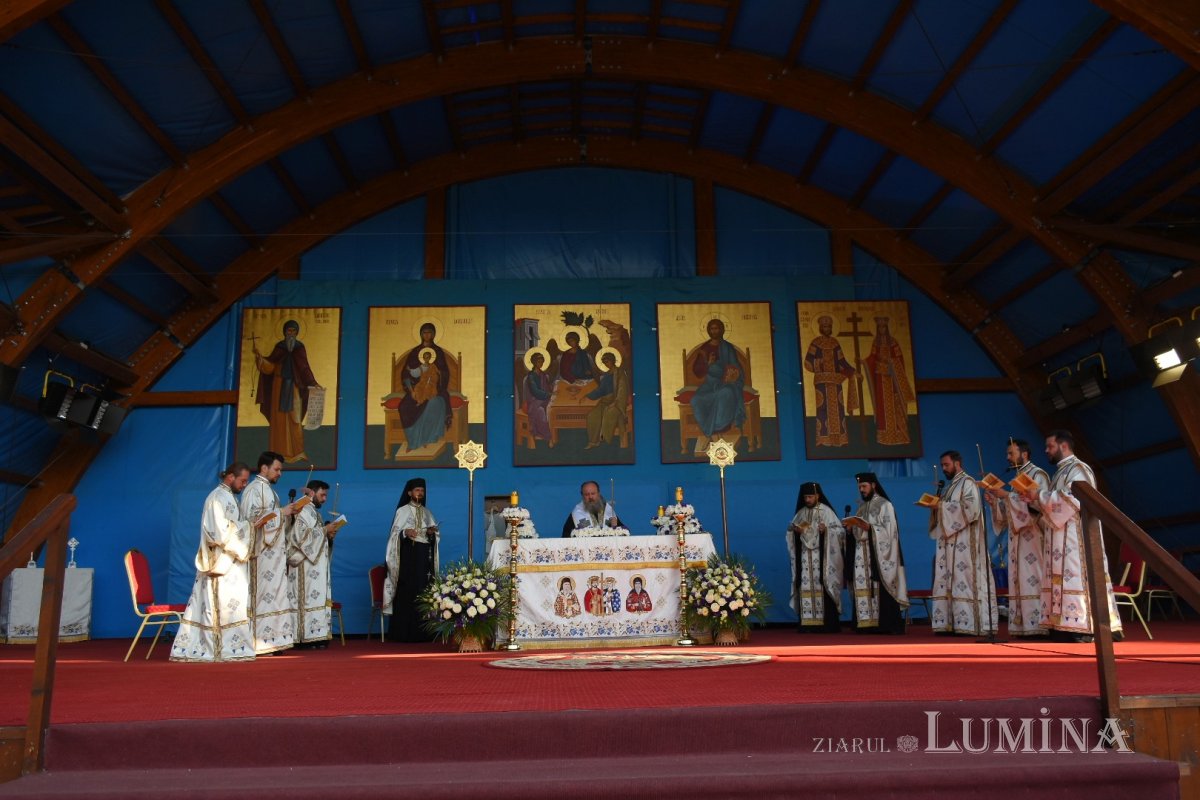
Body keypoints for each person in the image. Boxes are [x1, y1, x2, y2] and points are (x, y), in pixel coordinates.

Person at [1020, 430, 1124, 643]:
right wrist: (1033, 499)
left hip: (1077, 539)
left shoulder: (1078, 469)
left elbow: (1072, 500)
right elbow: (1051, 502)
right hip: (1060, 536)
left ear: (1063, 446)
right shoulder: (1060, 472)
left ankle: (1087, 626)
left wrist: (1039, 495)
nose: (1046, 450)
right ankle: (1065, 624)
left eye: (1050, 446)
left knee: (1077, 577)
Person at [169, 462, 256, 662]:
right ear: (230, 477)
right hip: (220, 562)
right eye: (242, 481)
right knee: (217, 605)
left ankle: (232, 648)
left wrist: (247, 527)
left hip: (231, 562)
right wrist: (249, 527)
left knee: (231, 605)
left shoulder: (230, 498)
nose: (244, 485)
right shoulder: (217, 498)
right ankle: (216, 649)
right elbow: (218, 531)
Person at [984, 438, 1049, 637]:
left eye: (1011, 454)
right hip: (1018, 541)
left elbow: (1041, 506)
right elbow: (1009, 515)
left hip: (1035, 538)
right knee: (1020, 579)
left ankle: (1039, 626)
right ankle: (1023, 626)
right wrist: (996, 503)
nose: (1008, 458)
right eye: (1008, 454)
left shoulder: (1037, 475)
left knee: (1035, 578)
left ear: (1025, 454)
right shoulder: (1018, 478)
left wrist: (1006, 496)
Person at [929, 450, 997, 636]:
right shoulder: (952, 486)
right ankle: (951, 622)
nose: (944, 469)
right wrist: (937, 507)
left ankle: (970, 623)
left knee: (965, 579)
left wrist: (941, 507)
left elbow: (971, 509)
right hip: (951, 544)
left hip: (966, 544)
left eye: (946, 465)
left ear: (957, 463)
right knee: (951, 580)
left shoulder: (967, 483)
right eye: (942, 465)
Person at [241, 450, 298, 655]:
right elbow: (252, 520)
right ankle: (259, 641)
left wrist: (288, 515)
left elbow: (271, 518)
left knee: (275, 596)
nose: (279, 473)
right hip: (261, 554)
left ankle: (273, 639)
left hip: (274, 555)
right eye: (277, 469)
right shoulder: (254, 489)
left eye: (281, 470)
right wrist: (281, 513)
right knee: (263, 596)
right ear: (264, 468)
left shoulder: (269, 491)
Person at [845, 472, 908, 634]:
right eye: (859, 487)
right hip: (862, 554)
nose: (861, 490)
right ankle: (866, 623)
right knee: (863, 585)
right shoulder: (862, 507)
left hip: (879, 555)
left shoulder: (885, 505)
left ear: (873, 485)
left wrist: (870, 528)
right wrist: (851, 529)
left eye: (864, 486)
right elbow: (859, 533)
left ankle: (885, 624)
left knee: (879, 587)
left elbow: (890, 532)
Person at [253, 320, 321, 463]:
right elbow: (270, 366)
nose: (291, 334)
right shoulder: (280, 347)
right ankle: (278, 453)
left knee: (295, 418)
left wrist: (313, 383)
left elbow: (304, 368)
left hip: (295, 387)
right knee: (279, 420)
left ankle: (298, 452)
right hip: (279, 386)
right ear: (284, 332)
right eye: (289, 331)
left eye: (294, 331)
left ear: (297, 333)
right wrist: (260, 358)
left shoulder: (299, 348)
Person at [382, 477, 440, 642]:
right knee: (407, 592)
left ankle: (424, 633)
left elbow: (435, 537)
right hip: (407, 558)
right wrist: (404, 533)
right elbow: (394, 535)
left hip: (423, 559)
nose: (420, 493)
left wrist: (432, 533)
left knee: (423, 591)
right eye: (417, 490)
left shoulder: (428, 513)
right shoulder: (402, 511)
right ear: (409, 492)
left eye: (422, 490)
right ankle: (403, 633)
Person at [785, 481, 845, 633]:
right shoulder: (801, 513)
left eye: (810, 497)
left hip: (823, 558)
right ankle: (808, 624)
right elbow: (791, 530)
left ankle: (827, 624)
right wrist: (794, 531)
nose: (807, 500)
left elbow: (840, 532)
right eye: (805, 497)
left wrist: (826, 531)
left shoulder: (826, 511)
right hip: (805, 558)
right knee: (805, 586)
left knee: (822, 585)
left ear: (818, 496)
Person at [288, 479, 336, 648]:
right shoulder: (302, 511)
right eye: (322, 495)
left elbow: (315, 536)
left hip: (316, 567)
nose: (324, 499)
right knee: (305, 599)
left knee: (315, 599)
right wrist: (324, 530)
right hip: (303, 566)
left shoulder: (314, 512)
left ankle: (317, 636)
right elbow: (300, 537)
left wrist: (328, 536)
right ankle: (303, 638)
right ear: (313, 492)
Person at [688, 318, 745, 450]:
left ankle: (715, 433)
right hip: (710, 384)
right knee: (696, 400)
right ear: (708, 330)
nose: (714, 331)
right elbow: (697, 371)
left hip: (727, 383)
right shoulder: (704, 349)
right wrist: (708, 364)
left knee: (724, 394)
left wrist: (732, 376)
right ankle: (714, 436)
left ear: (722, 330)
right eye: (712, 328)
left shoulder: (728, 348)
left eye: (717, 328)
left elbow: (736, 368)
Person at [396, 323, 453, 453]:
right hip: (416, 390)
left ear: (434, 334)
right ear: (420, 334)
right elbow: (406, 373)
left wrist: (436, 374)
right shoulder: (415, 352)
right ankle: (412, 441)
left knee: (433, 403)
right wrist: (411, 391)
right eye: (424, 333)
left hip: (435, 390)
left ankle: (426, 439)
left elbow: (445, 372)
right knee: (404, 406)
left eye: (429, 332)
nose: (427, 335)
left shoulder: (438, 352)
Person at [804, 316, 858, 448]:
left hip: (835, 381)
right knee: (822, 409)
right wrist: (820, 362)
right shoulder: (815, 343)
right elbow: (807, 362)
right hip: (822, 382)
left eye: (829, 327)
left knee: (838, 409)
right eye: (825, 327)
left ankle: (839, 438)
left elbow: (842, 362)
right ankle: (823, 438)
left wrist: (853, 371)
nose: (827, 328)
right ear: (821, 328)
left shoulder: (835, 343)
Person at [861, 317, 914, 446]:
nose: (882, 329)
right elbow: (872, 358)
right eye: (879, 327)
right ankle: (885, 436)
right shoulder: (876, 343)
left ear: (887, 328)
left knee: (895, 405)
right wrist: (864, 361)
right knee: (882, 407)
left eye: (884, 327)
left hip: (893, 379)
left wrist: (891, 364)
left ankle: (899, 435)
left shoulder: (894, 343)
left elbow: (900, 360)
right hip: (880, 379)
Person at [585, 350, 631, 448]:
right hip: (605, 400)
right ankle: (593, 442)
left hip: (617, 401)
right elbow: (601, 390)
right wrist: (587, 396)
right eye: (604, 362)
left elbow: (622, 390)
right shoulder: (605, 375)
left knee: (608, 413)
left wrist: (616, 402)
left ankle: (604, 438)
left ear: (613, 361)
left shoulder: (620, 373)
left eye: (607, 361)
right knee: (592, 415)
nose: (606, 364)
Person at [522, 350, 553, 443]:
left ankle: (548, 433)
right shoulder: (531, 376)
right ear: (534, 362)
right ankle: (547, 436)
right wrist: (548, 394)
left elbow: (547, 387)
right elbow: (535, 391)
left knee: (552, 408)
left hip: (544, 399)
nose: (541, 363)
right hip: (533, 401)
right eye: (539, 361)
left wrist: (552, 390)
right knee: (541, 411)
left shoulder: (543, 374)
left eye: (542, 361)